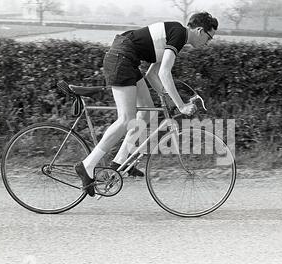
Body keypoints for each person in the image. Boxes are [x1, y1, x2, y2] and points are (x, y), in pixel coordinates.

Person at [75, 12, 218, 197]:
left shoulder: (176, 36)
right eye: (209, 38)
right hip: (122, 58)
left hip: (128, 59)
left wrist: (168, 99)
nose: (208, 43)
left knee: (148, 114)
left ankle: (118, 163)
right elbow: (164, 74)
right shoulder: (179, 34)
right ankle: (87, 165)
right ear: (199, 30)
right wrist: (181, 105)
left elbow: (152, 75)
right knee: (126, 119)